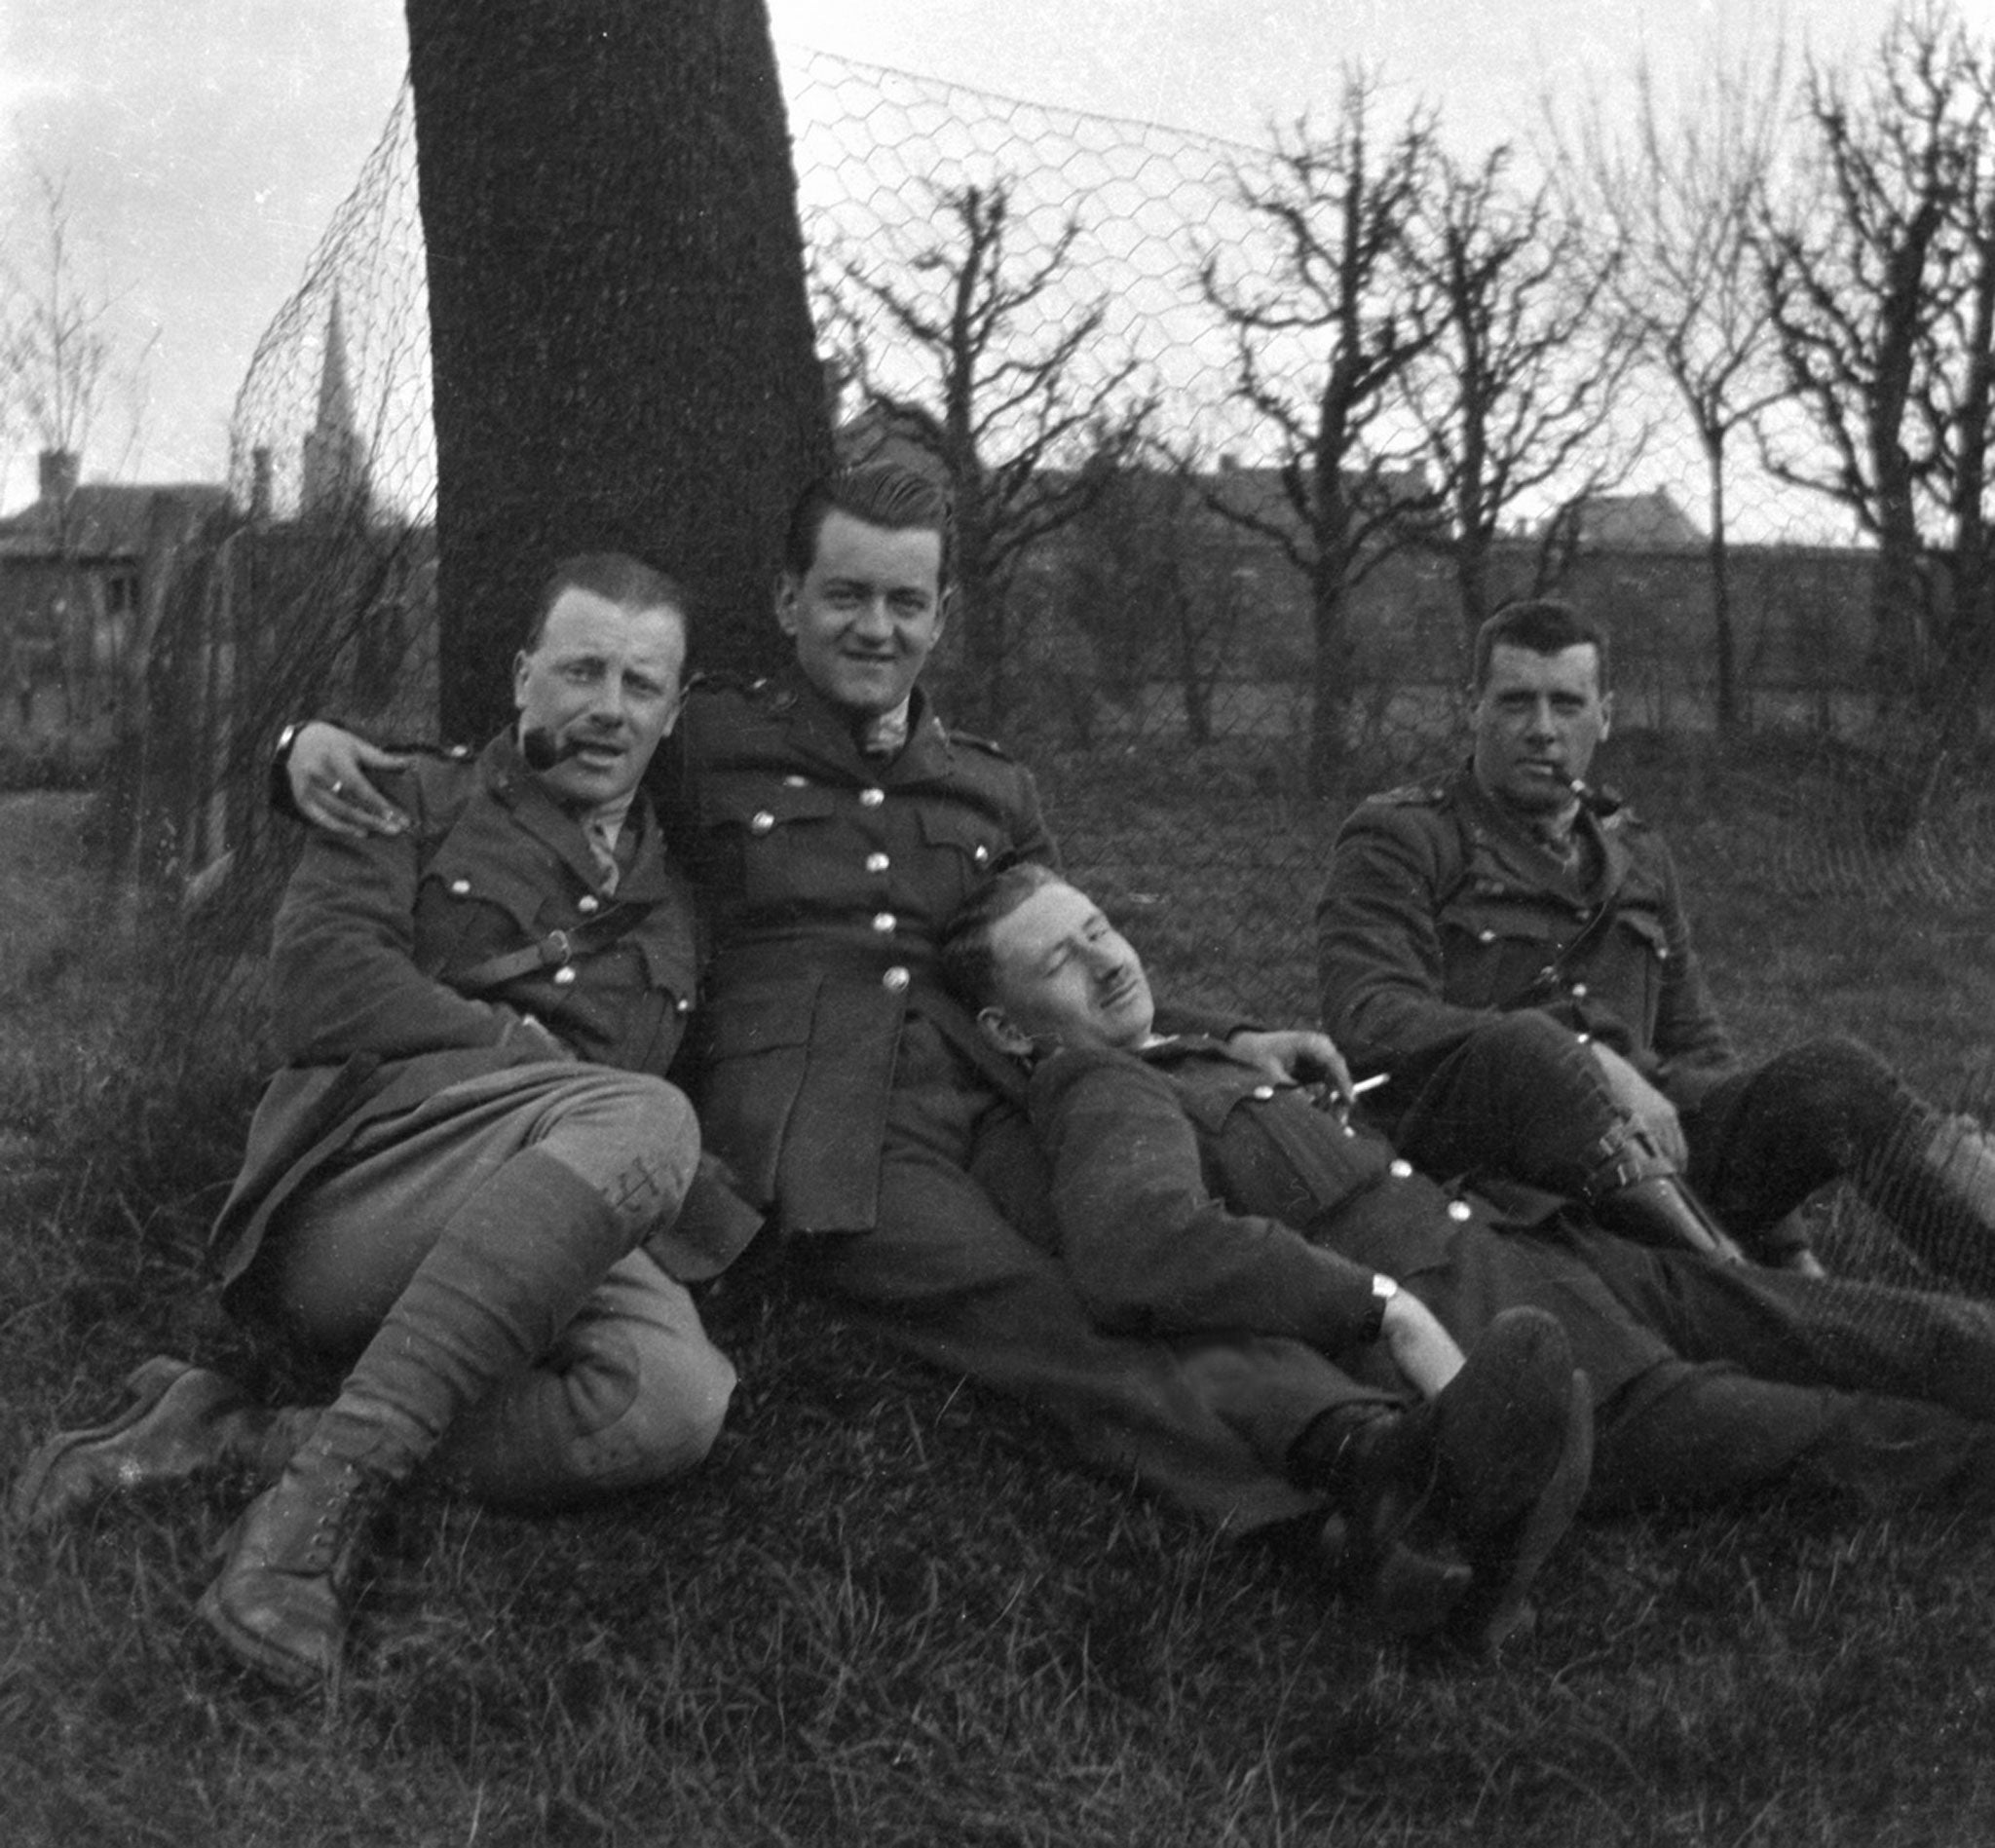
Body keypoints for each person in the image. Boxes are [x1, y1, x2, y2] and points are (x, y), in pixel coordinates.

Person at [247, 465, 1587, 1639]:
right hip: (820, 1124)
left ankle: (1397, 1474)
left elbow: (1060, 945)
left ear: (943, 615)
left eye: (905, 602)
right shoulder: (700, 736)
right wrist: (299, 745)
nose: (874, 629)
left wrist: (1215, 1037)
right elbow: (535, 756)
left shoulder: (995, 786)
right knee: (1037, 1306)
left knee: (1125, 1259)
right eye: (845, 597)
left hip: (997, 1082)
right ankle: (1350, 1466)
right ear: (787, 605)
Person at [13, 554, 750, 1689]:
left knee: (672, 1404)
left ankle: (228, 1434)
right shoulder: (400, 796)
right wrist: (513, 1052)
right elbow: (322, 989)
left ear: (671, 708)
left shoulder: (677, 903)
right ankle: (307, 1526)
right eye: (582, 669)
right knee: (647, 1114)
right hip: (366, 1190)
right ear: (521, 677)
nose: (608, 707)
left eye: (640, 685)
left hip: (558, 1208)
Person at [944, 862, 1995, 1622]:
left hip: (1577, 1262)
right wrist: (1376, 1307)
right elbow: (1141, 1245)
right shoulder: (1096, 1087)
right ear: (1007, 1030)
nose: (1103, 958)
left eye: (1095, 927)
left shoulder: (1189, 1051)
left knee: (1920, 1334)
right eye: (1059, 957)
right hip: (1538, 1360)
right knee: (1876, 1432)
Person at [1317, 596, 1995, 1286]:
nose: (1543, 730)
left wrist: (1786, 1242)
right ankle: (1762, 1303)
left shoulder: (1637, 855)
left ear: (1605, 713)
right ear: (1474, 707)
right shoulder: (1404, 838)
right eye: (1517, 701)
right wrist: (1581, 1056)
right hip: (1499, 1171)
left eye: (1567, 703)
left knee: (1835, 1078)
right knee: (1759, 1318)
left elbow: (1699, 1048)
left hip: (1660, 1156)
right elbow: (1371, 1018)